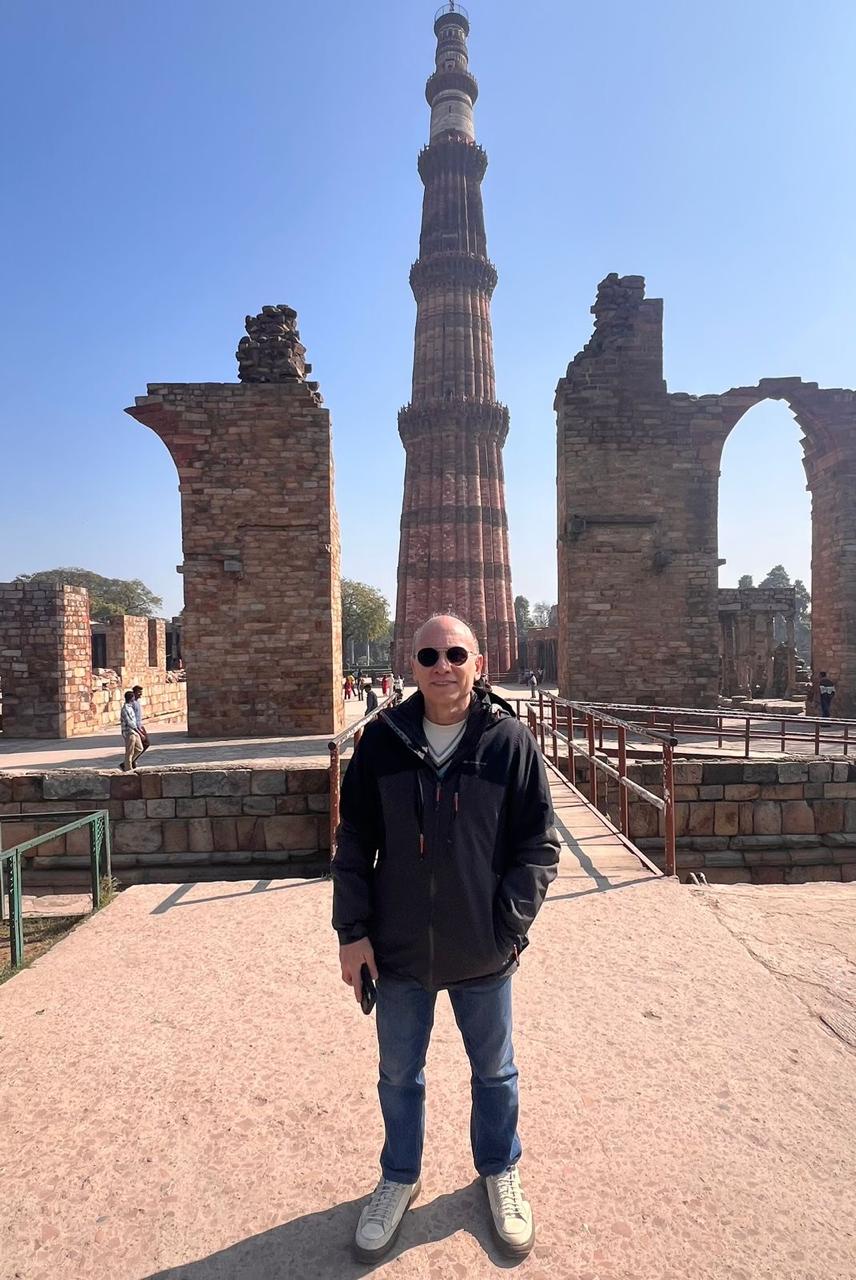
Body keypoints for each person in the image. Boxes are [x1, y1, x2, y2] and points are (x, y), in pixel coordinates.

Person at [332, 612, 559, 1263]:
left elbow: (538, 846)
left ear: (477, 664)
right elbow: (354, 844)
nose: (443, 666)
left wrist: (507, 924)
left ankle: (500, 1170)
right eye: (430, 655)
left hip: (484, 951)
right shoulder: (382, 742)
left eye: (456, 653)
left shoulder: (508, 741)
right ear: (413, 665)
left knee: (496, 1072)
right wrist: (352, 932)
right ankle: (399, 1177)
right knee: (399, 1075)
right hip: (398, 951)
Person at [120, 691, 144, 771]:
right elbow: (130, 722)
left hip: (134, 731)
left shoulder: (130, 707)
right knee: (129, 752)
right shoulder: (125, 709)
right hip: (129, 732)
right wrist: (139, 732)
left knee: (139, 748)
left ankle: (125, 763)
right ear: (131, 698)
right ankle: (128, 768)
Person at [132, 685, 149, 755]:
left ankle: (131, 761)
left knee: (144, 744)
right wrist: (138, 730)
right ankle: (129, 762)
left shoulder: (137, 702)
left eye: (141, 692)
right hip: (135, 727)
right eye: (139, 692)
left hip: (140, 726)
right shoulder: (132, 703)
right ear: (134, 693)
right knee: (143, 744)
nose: (140, 694)